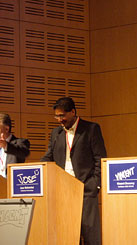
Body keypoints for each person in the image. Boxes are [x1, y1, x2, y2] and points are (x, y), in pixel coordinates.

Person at [41, 97, 107, 245]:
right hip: (63, 190)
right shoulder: (55, 133)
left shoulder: (91, 129)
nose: (59, 120)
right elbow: (48, 156)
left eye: (62, 115)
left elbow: (100, 158)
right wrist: (36, 169)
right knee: (67, 234)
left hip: (86, 188)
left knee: (90, 235)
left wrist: (95, 184)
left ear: (73, 112)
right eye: (56, 116)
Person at [0, 113, 30, 178]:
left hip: (12, 183)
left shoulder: (21, 142)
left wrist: (5, 145)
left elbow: (25, 152)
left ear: (6, 129)